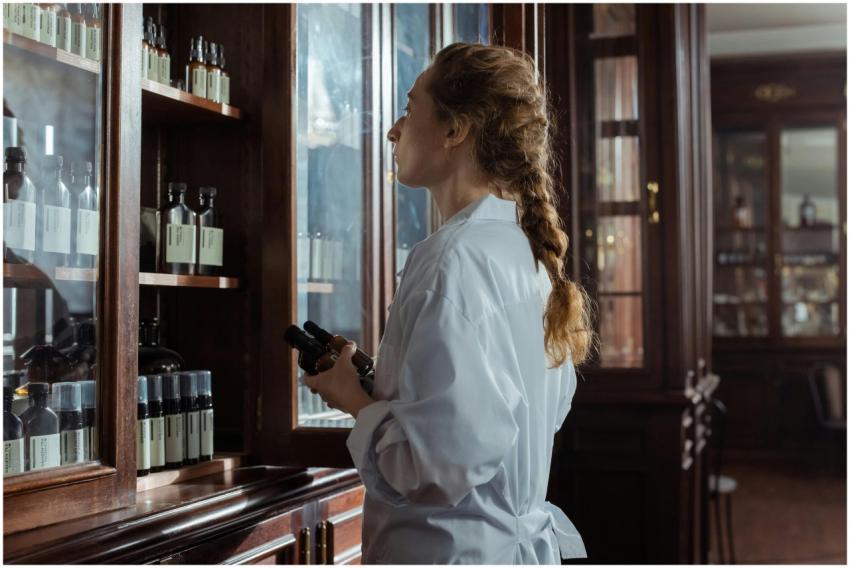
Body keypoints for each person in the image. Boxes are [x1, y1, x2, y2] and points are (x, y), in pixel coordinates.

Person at [305, 42, 595, 564]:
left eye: (410, 107)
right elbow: (502, 423)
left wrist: (355, 399)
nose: (393, 129)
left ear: (455, 129)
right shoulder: (521, 251)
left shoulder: (451, 260)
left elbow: (430, 468)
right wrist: (388, 390)